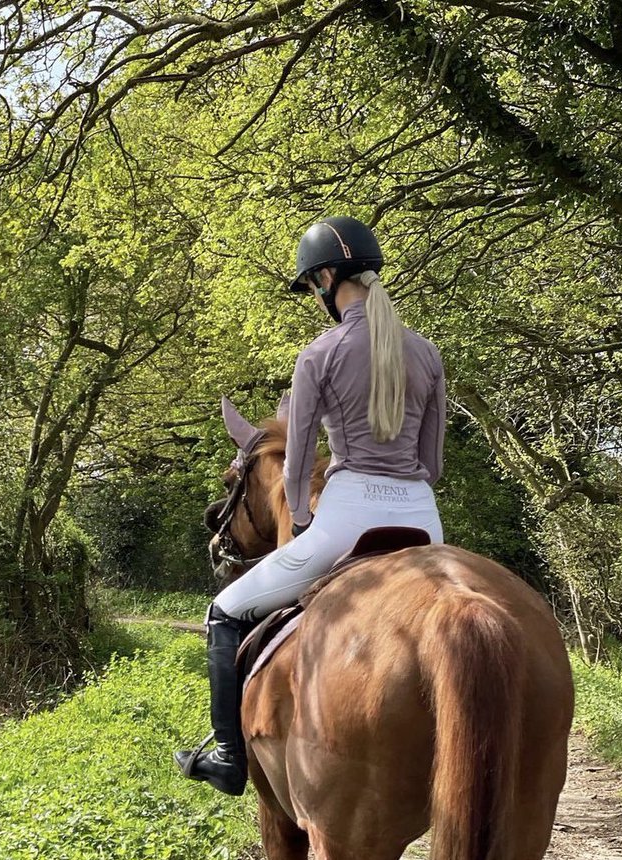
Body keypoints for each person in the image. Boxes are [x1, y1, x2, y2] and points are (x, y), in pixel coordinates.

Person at [175, 215, 447, 796]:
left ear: (325, 278)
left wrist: (300, 520)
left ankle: (228, 757)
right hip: (424, 521)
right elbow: (433, 462)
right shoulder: (427, 354)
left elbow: (296, 467)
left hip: (345, 520)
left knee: (224, 612)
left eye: (312, 285)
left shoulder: (319, 355)